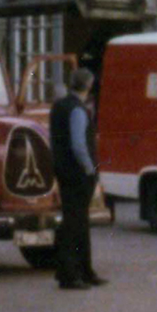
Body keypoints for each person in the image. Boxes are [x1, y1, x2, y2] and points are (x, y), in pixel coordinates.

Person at [49, 67, 104, 290]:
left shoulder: (58, 106)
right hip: (79, 174)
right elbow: (79, 145)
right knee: (76, 224)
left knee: (75, 221)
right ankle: (72, 274)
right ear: (88, 85)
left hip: (63, 171)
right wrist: (90, 169)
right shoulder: (78, 110)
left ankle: (82, 271)